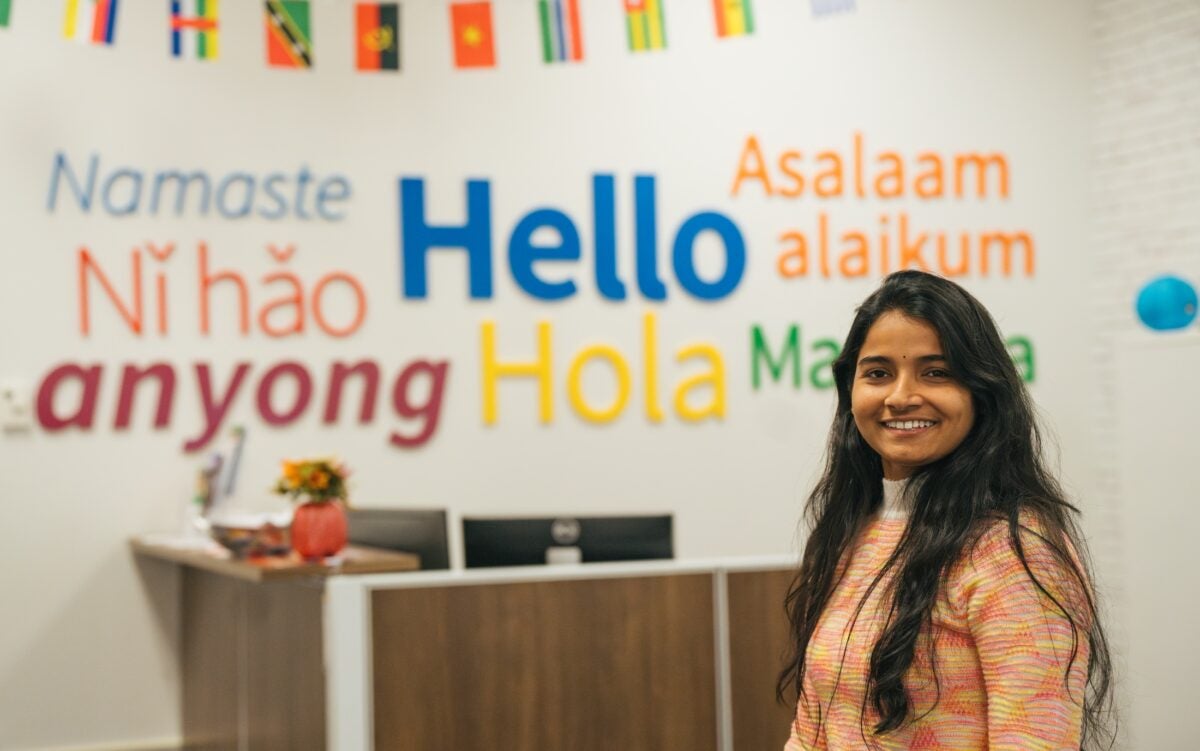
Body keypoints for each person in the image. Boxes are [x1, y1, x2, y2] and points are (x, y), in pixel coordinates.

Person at [779, 271, 1114, 750]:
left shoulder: (1013, 551)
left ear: (981, 392)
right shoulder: (853, 530)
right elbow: (811, 731)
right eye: (878, 373)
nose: (900, 397)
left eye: (936, 372)